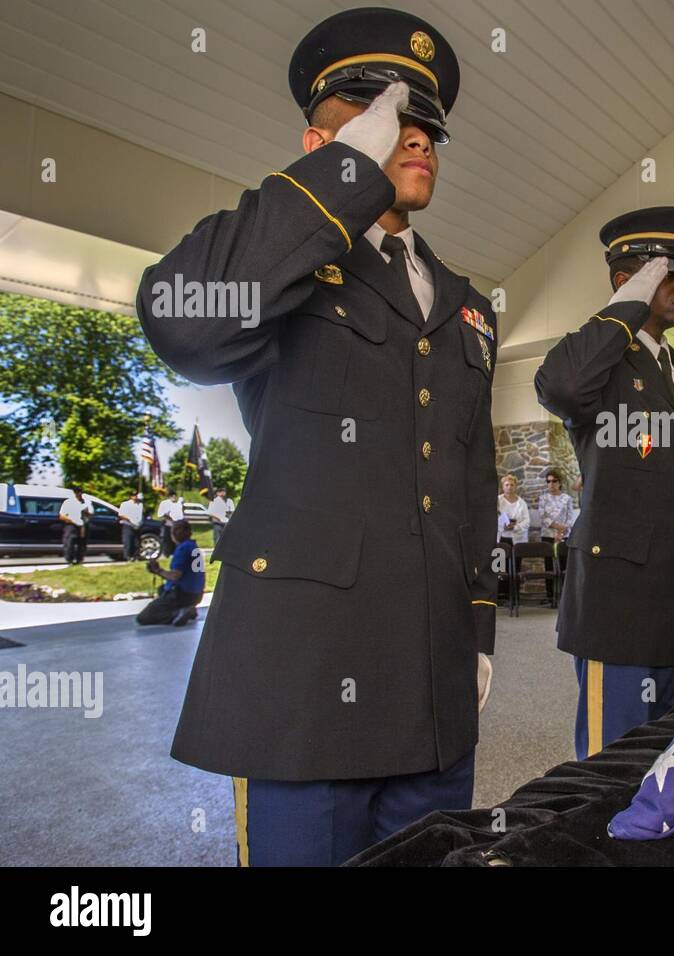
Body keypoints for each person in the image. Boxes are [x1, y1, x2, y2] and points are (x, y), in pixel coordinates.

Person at [136, 9, 498, 866]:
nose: (412, 137)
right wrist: (344, 172)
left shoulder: (465, 303)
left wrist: (477, 628)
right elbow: (183, 322)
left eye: (424, 127)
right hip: (306, 687)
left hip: (434, 689)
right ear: (318, 140)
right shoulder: (291, 260)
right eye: (379, 117)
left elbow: (470, 476)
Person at [534, 206, 674, 760]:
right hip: (620, 608)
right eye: (666, 275)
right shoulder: (602, 360)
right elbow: (558, 386)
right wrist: (622, 312)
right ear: (626, 283)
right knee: (613, 770)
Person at [136, 520, 206, 626]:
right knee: (161, 589)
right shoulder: (193, 546)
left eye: (178, 529)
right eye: (174, 529)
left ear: (188, 532)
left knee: (143, 618)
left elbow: (175, 576)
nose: (174, 532)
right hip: (196, 594)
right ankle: (189, 609)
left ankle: (177, 614)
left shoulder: (182, 548)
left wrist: (158, 570)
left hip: (181, 594)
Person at [537, 468, 575, 604]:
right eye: (548, 481)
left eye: (554, 481)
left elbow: (570, 518)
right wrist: (557, 528)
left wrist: (563, 530)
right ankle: (550, 596)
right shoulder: (543, 498)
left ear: (560, 482)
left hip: (564, 536)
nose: (551, 484)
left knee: (564, 565)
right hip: (548, 535)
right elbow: (543, 517)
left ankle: (565, 597)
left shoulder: (567, 498)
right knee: (549, 566)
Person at [58, 486, 92, 564]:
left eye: (80, 492)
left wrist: (86, 512)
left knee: (82, 544)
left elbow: (90, 514)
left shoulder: (85, 502)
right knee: (69, 543)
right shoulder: (68, 502)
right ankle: (69, 560)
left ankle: (79, 560)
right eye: (77, 492)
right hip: (71, 525)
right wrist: (73, 521)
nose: (79, 494)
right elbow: (62, 516)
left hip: (82, 525)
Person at [497, 475, 530, 544]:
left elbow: (527, 521)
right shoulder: (497, 500)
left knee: (517, 554)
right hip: (501, 536)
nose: (509, 487)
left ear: (515, 487)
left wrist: (515, 527)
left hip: (518, 538)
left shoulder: (522, 503)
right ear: (503, 487)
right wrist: (502, 525)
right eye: (507, 485)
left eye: (512, 485)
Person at [155, 489, 184, 557]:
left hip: (177, 525)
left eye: (174, 495)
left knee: (176, 540)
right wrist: (169, 517)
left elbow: (180, 514)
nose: (173, 497)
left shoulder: (178, 503)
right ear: (169, 496)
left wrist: (181, 503)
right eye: (172, 495)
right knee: (167, 540)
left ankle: (175, 553)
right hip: (168, 524)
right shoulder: (164, 503)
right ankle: (166, 553)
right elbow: (161, 514)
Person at [117, 491, 144, 561]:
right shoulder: (125, 504)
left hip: (138, 525)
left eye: (136, 495)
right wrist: (130, 519)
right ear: (131, 496)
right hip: (128, 525)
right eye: (134, 495)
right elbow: (121, 514)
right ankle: (128, 557)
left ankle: (136, 556)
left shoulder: (140, 504)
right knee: (128, 542)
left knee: (137, 543)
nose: (135, 497)